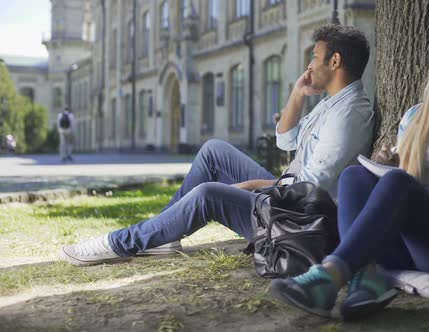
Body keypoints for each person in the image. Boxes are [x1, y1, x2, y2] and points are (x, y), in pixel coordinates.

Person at [60, 24, 375, 266]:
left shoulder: (349, 114)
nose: (310, 64)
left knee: (208, 194)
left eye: (315, 58)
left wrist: (255, 185)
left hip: (295, 224)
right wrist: (296, 94)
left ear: (335, 62)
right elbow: (286, 140)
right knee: (214, 150)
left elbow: (310, 187)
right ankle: (160, 234)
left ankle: (120, 242)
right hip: (287, 199)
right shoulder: (331, 103)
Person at [270, 23, 429, 320]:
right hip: (407, 242)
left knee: (399, 182)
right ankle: (366, 279)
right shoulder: (416, 116)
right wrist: (388, 167)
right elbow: (405, 182)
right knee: (355, 176)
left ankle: (331, 275)